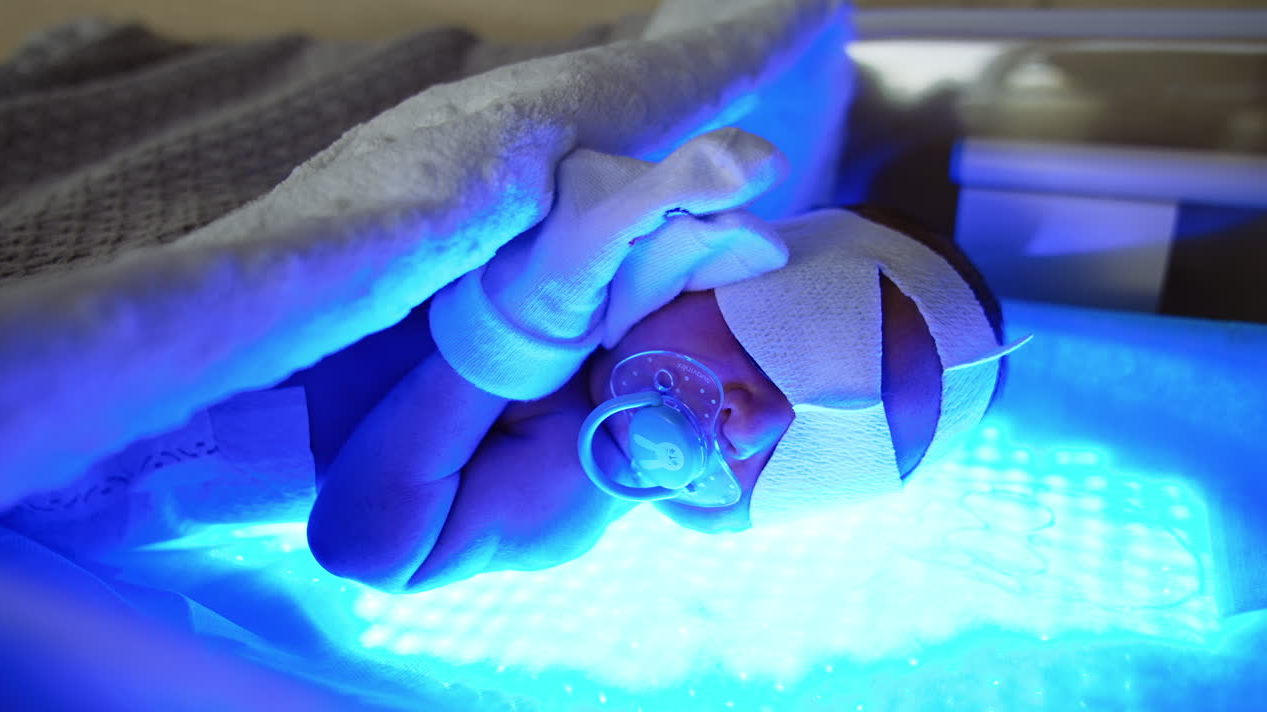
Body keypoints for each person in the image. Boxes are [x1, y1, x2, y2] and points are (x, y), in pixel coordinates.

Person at [298, 128, 1026, 594]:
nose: (756, 422)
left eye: (807, 460)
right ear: (725, 261)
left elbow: (362, 547)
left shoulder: (568, 490)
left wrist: (519, 332)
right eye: (778, 350)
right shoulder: (602, 231)